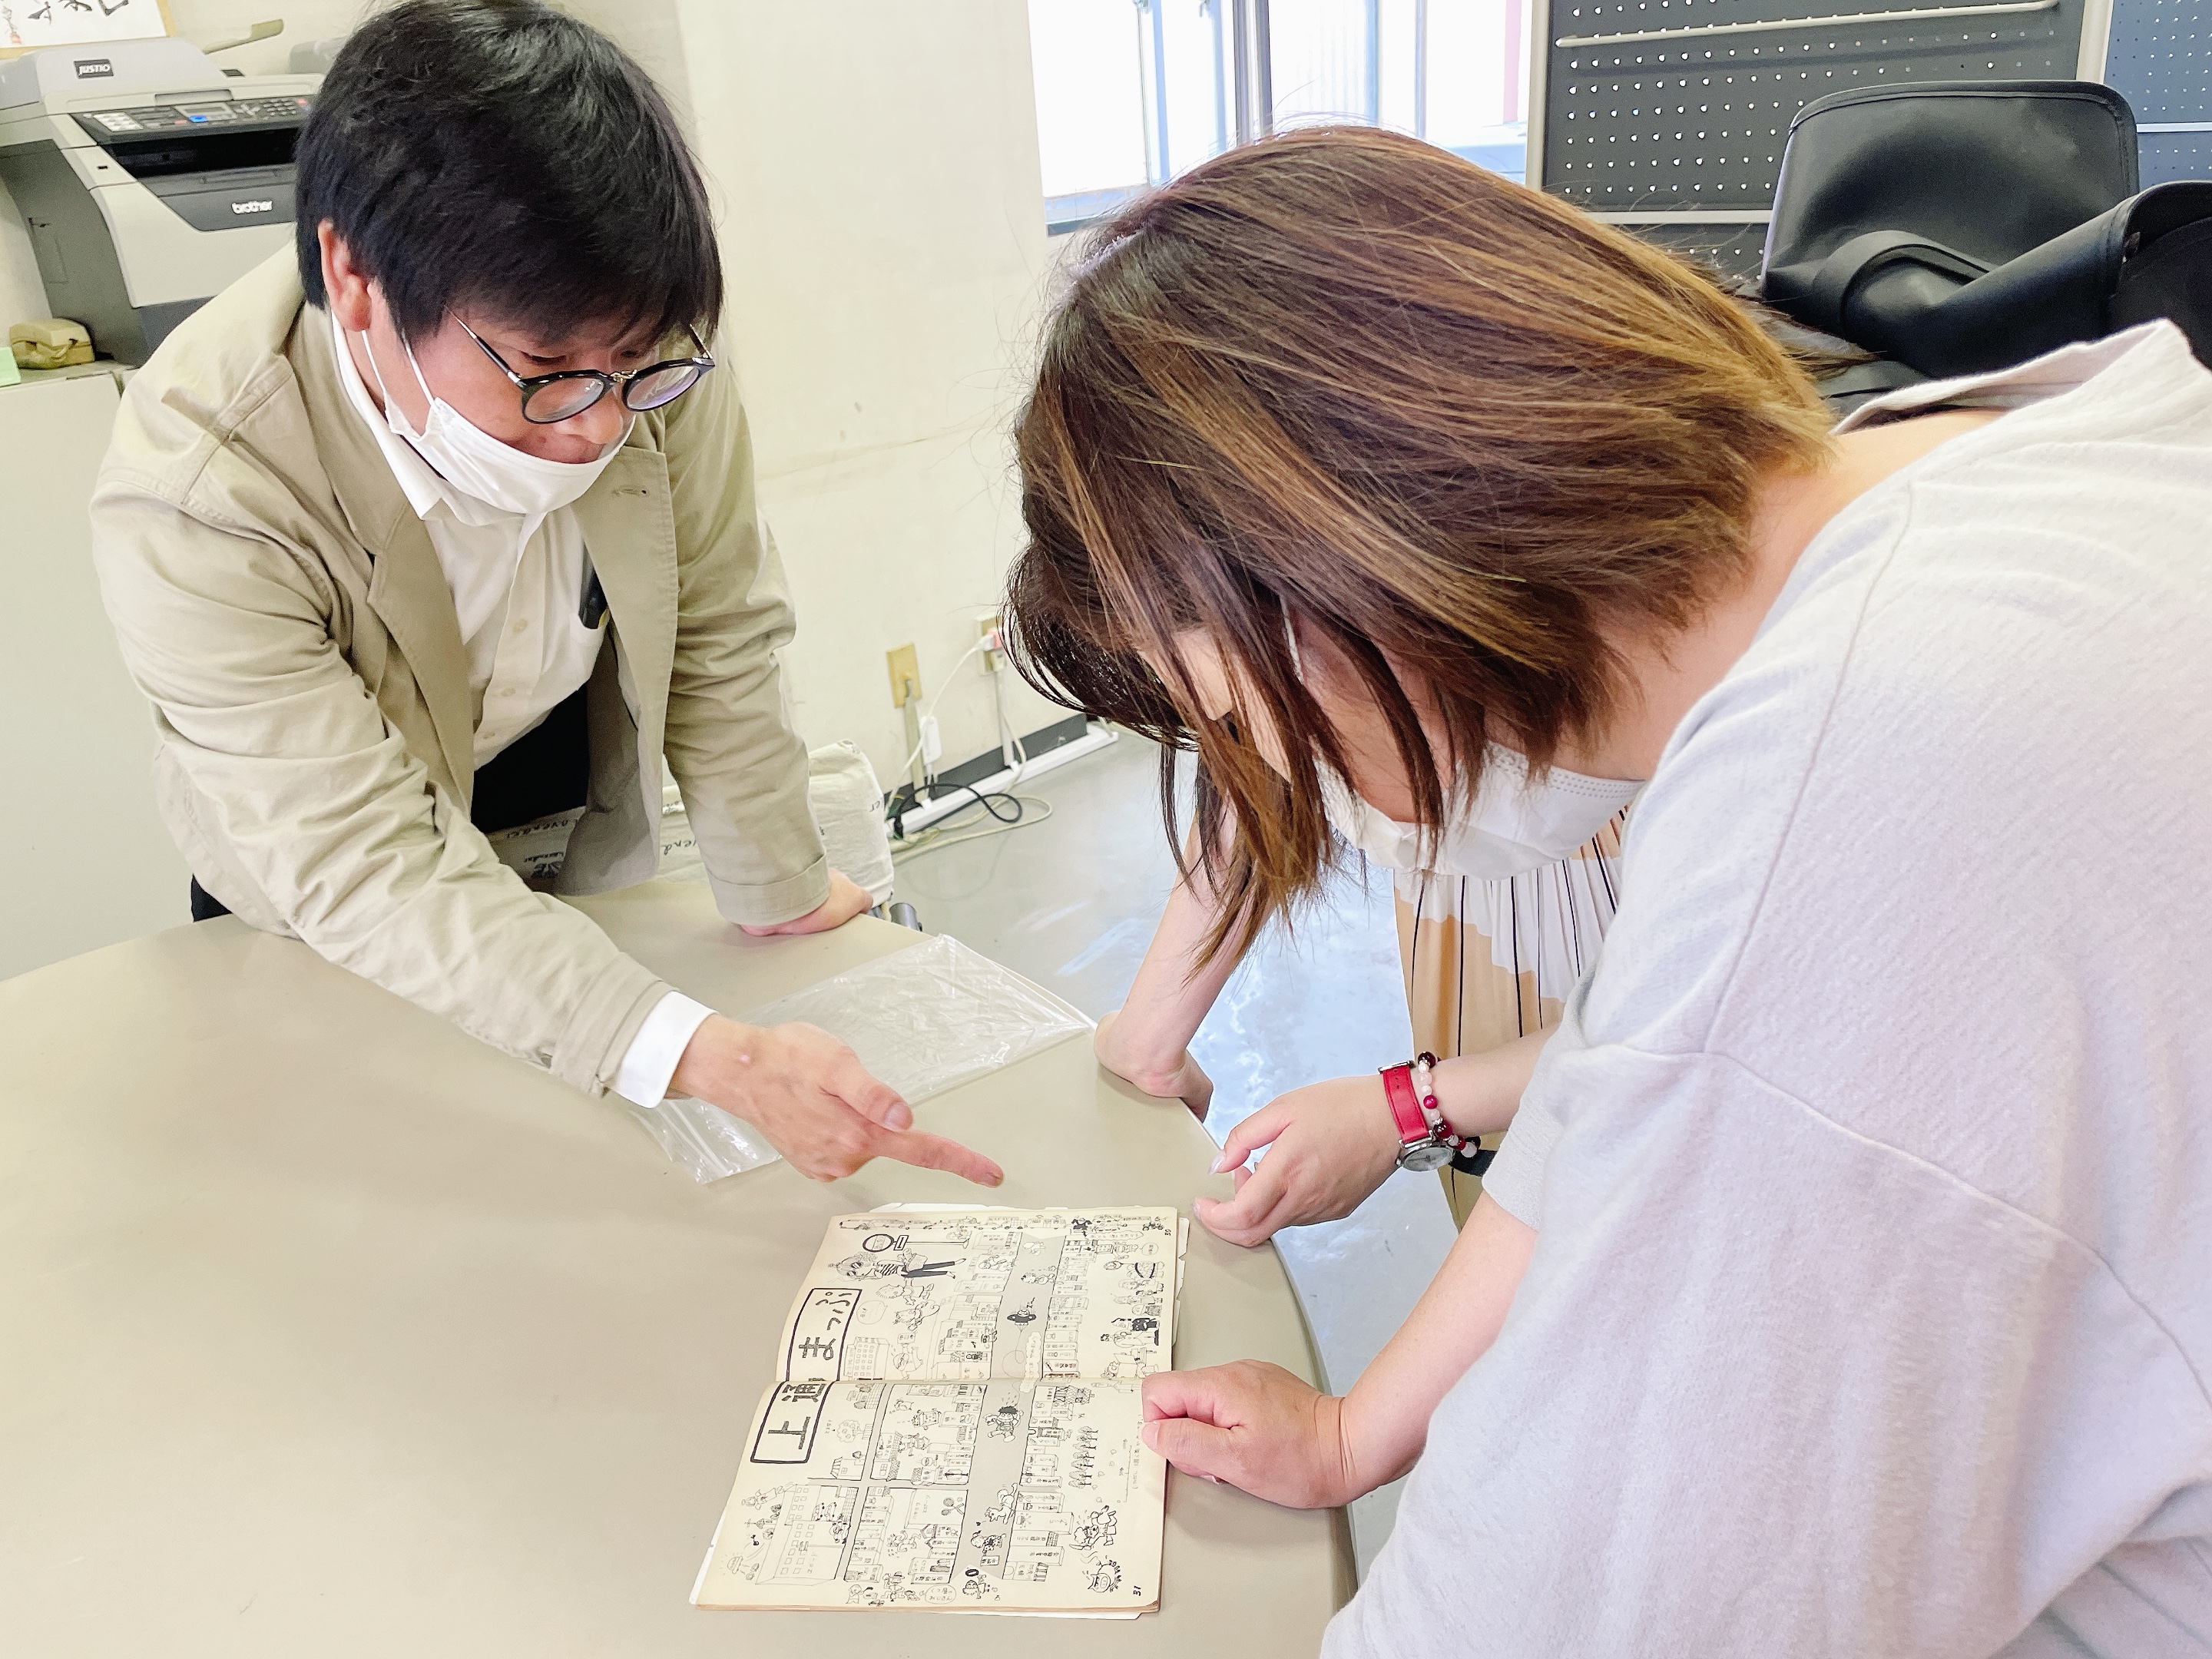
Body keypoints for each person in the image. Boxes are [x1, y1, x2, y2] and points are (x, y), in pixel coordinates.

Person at [1005, 125, 2212, 1654]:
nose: (1284, 781)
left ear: (1351, 581)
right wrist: (1360, 1431)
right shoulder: (2029, 442)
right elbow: (1609, 1092)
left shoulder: (1856, 792)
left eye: (1245, 722)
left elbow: (1575, 1607)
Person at [90, 0, 998, 1190]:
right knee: (415, 1193)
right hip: (328, 863)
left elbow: (720, 624)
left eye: (632, 371)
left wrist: (777, 894)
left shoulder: (638, 344)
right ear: (355, 278)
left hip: (558, 776)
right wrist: (703, 1053)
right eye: (548, 375)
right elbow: (366, 863)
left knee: (616, 1171)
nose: (603, 426)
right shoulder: (199, 490)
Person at [1094, 776, 1628, 1245]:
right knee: (1499, 1181)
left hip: (1594, 874)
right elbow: (1258, 767)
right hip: (1476, 898)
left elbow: (1652, 1028)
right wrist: (1150, 1036)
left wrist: (1400, 1110)